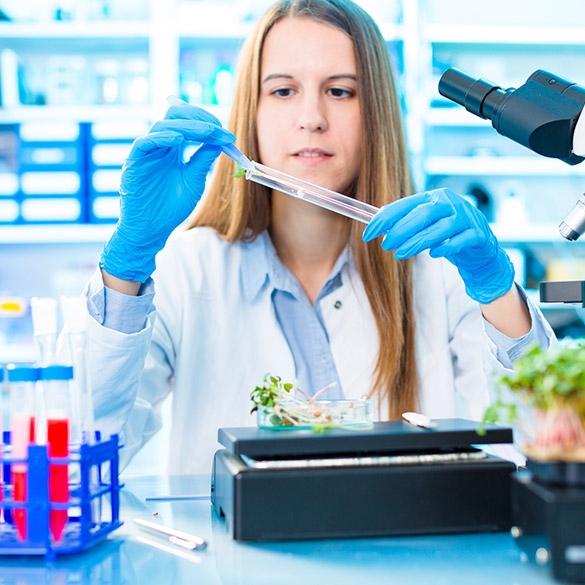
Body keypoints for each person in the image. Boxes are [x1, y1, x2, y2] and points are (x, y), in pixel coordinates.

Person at [87, 0, 555, 474]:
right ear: (251, 110)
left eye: (339, 91)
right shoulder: (187, 271)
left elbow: (540, 449)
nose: (311, 117)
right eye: (284, 90)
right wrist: (127, 264)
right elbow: (82, 459)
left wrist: (497, 294)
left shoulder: (439, 270)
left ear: (376, 113)